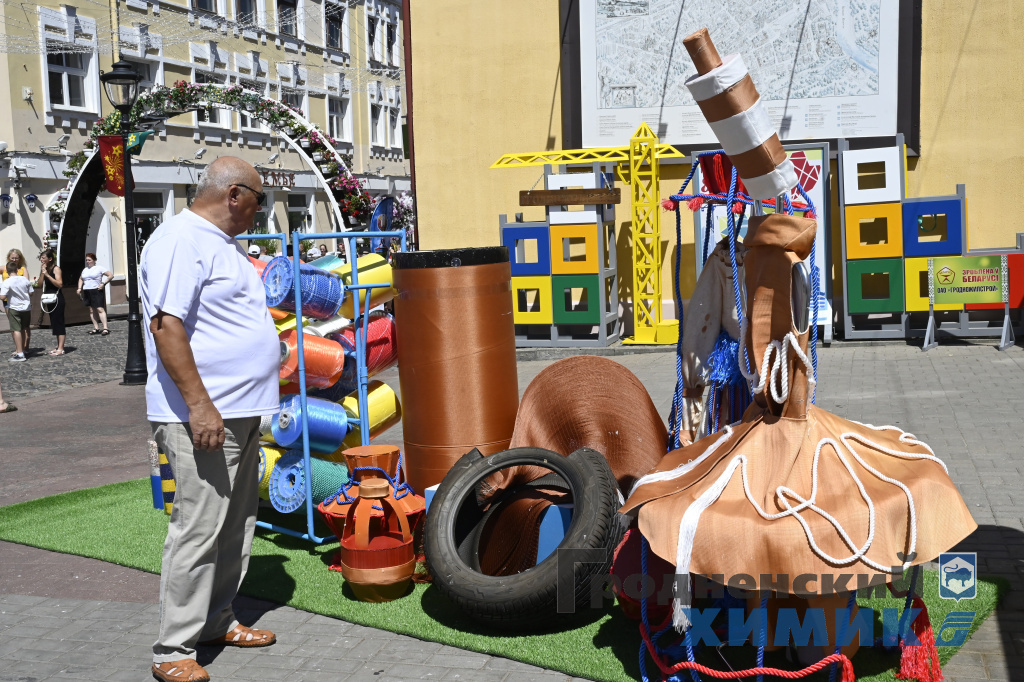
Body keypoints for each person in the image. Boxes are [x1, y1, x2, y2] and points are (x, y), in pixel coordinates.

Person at [141, 157, 279, 682]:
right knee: (198, 528)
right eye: (259, 200)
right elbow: (166, 325)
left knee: (236, 523)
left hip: (239, 411)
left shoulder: (220, 245)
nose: (259, 211)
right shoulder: (182, 239)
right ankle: (173, 648)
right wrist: (199, 404)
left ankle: (218, 620)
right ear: (235, 194)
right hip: (203, 415)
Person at [1, 262, 32, 361]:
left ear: (6, 271)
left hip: (15, 307)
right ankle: (22, 349)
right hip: (26, 307)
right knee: (24, 328)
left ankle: (20, 354)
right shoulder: (24, 279)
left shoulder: (7, 281)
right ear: (17, 270)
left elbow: (3, 297)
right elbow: (31, 293)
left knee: (16, 330)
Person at [37, 248, 66, 356]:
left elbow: (60, 284)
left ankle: (61, 348)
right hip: (49, 298)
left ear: (49, 259)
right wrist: (43, 273)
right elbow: (39, 284)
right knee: (54, 322)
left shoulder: (56, 269)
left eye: (43, 258)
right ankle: (58, 346)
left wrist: (48, 275)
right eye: (41, 258)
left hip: (57, 298)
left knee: (59, 322)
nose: (41, 259)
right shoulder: (45, 269)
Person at [78, 253, 112, 336]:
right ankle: (96, 328)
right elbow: (81, 278)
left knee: (100, 309)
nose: (87, 262)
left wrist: (103, 283)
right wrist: (79, 288)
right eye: (86, 260)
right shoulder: (85, 270)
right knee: (91, 310)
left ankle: (105, 328)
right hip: (87, 290)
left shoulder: (99, 268)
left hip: (96, 290)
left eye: (89, 260)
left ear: (94, 260)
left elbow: (110, 275)